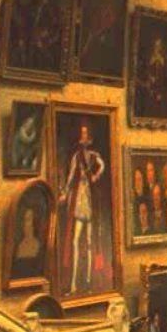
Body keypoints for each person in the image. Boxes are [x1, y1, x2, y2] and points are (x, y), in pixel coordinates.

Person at [58, 122, 106, 295]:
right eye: (82, 134)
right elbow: (71, 177)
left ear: (89, 138)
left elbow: (102, 165)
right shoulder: (76, 157)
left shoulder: (93, 155)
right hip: (79, 199)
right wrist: (65, 193)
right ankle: (73, 283)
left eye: (86, 134)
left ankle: (88, 281)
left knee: (90, 241)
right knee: (75, 240)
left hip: (90, 199)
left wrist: (95, 176)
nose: (83, 136)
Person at [12, 206, 44, 280]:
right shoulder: (18, 245)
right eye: (23, 220)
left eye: (28, 220)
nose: (24, 223)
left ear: (34, 222)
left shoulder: (38, 245)